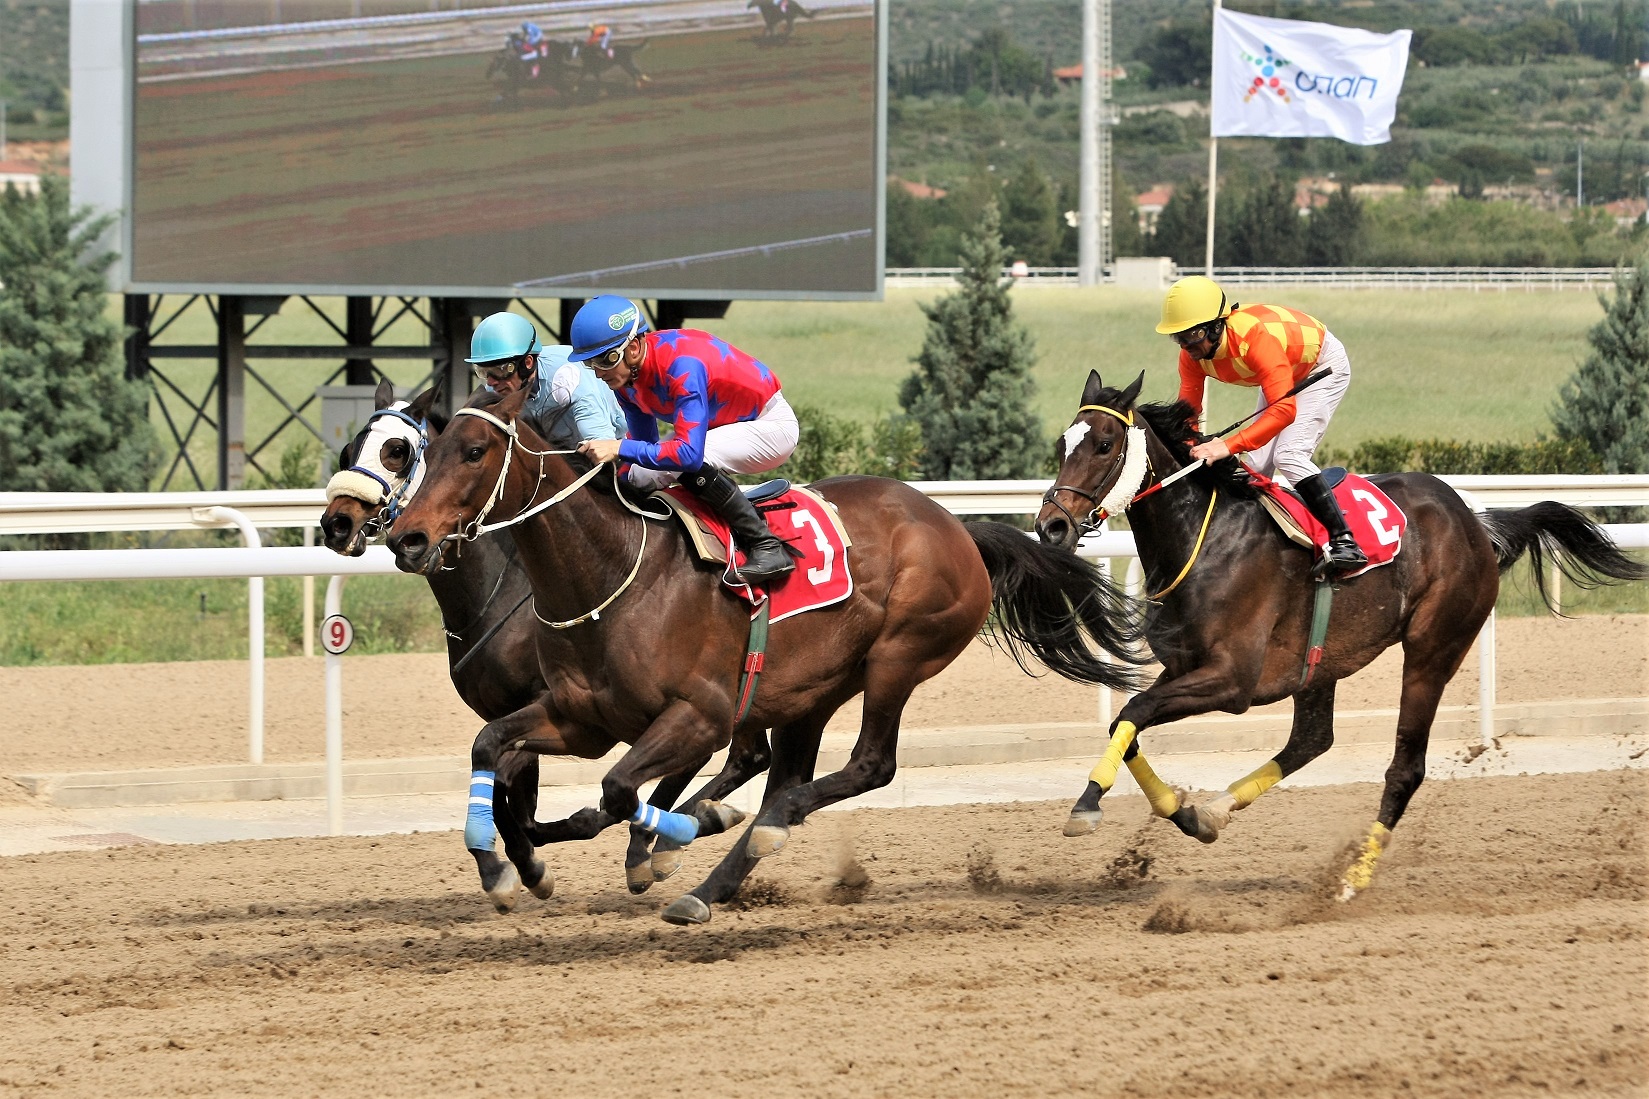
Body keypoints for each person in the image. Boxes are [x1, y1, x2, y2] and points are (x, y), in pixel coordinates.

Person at [568, 295, 799, 584]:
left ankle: (766, 545)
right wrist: (614, 479)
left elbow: (688, 455)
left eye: (606, 359)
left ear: (634, 347)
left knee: (681, 461)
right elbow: (643, 446)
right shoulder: (625, 379)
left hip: (770, 427)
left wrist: (618, 447)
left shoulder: (682, 366)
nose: (600, 372)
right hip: (722, 429)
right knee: (638, 476)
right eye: (591, 363)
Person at [1156, 275, 1367, 578]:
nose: (1187, 345)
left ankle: (1345, 541)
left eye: (1194, 335)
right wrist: (1188, 448)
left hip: (1320, 367)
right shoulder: (1192, 356)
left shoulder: (1254, 338)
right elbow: (1187, 414)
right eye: (1179, 337)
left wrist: (1225, 445)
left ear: (1217, 326)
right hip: (1282, 369)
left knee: (1289, 455)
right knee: (1254, 467)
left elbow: (1283, 410)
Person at [465, 311, 626, 452]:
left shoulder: (567, 378)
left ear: (527, 363)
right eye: (484, 372)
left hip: (620, 444)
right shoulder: (495, 389)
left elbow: (601, 445)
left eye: (500, 370)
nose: (491, 383)